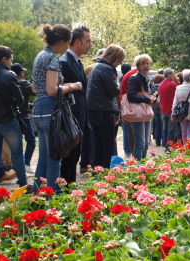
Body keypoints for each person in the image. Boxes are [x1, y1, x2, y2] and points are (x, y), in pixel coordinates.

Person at [31, 24, 83, 192]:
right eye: (67, 43)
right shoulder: (52, 58)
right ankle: (54, 197)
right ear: (61, 41)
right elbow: (52, 90)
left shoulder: (40, 55)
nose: (68, 47)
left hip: (38, 109)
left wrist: (64, 85)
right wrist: (73, 86)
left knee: (44, 159)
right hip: (50, 110)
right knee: (55, 158)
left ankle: (37, 195)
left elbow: (35, 87)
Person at [59, 26, 92, 185]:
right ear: (78, 42)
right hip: (70, 118)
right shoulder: (64, 62)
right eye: (88, 41)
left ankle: (71, 191)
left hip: (79, 119)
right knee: (68, 159)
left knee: (74, 158)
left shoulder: (76, 62)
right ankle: (65, 193)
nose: (90, 45)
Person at [0, 45, 28, 190]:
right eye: (10, 61)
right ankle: (23, 185)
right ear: (4, 59)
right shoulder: (9, 75)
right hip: (8, 118)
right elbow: (20, 99)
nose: (11, 64)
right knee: (17, 156)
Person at [87, 44, 125, 168]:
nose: (120, 63)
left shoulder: (97, 67)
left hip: (94, 109)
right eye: (120, 59)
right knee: (108, 145)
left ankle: (97, 170)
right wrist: (118, 82)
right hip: (103, 110)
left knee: (98, 145)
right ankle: (107, 172)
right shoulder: (107, 68)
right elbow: (114, 91)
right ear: (115, 57)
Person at [127, 54, 157, 161]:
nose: (146, 66)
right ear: (138, 66)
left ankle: (143, 166)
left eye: (148, 63)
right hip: (138, 113)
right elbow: (131, 96)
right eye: (143, 64)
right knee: (140, 143)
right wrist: (147, 99)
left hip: (147, 112)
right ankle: (137, 168)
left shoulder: (149, 79)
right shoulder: (134, 78)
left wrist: (154, 99)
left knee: (145, 144)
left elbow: (150, 94)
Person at [10, 63, 36, 174]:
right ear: (20, 73)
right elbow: (34, 90)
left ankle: (14, 165)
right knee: (31, 140)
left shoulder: (8, 81)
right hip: (23, 116)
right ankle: (25, 163)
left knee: (15, 142)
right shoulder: (22, 82)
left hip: (10, 116)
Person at [159, 68, 180, 148]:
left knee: (165, 129)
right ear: (169, 75)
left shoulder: (161, 84)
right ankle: (169, 147)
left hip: (163, 109)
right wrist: (178, 82)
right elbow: (179, 90)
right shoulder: (172, 85)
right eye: (173, 74)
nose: (174, 76)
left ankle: (165, 145)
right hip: (171, 110)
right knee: (171, 130)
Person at [151, 74, 164, 146]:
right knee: (162, 125)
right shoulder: (159, 87)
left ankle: (157, 141)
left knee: (157, 125)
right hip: (160, 107)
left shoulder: (153, 87)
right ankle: (163, 140)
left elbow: (153, 96)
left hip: (154, 108)